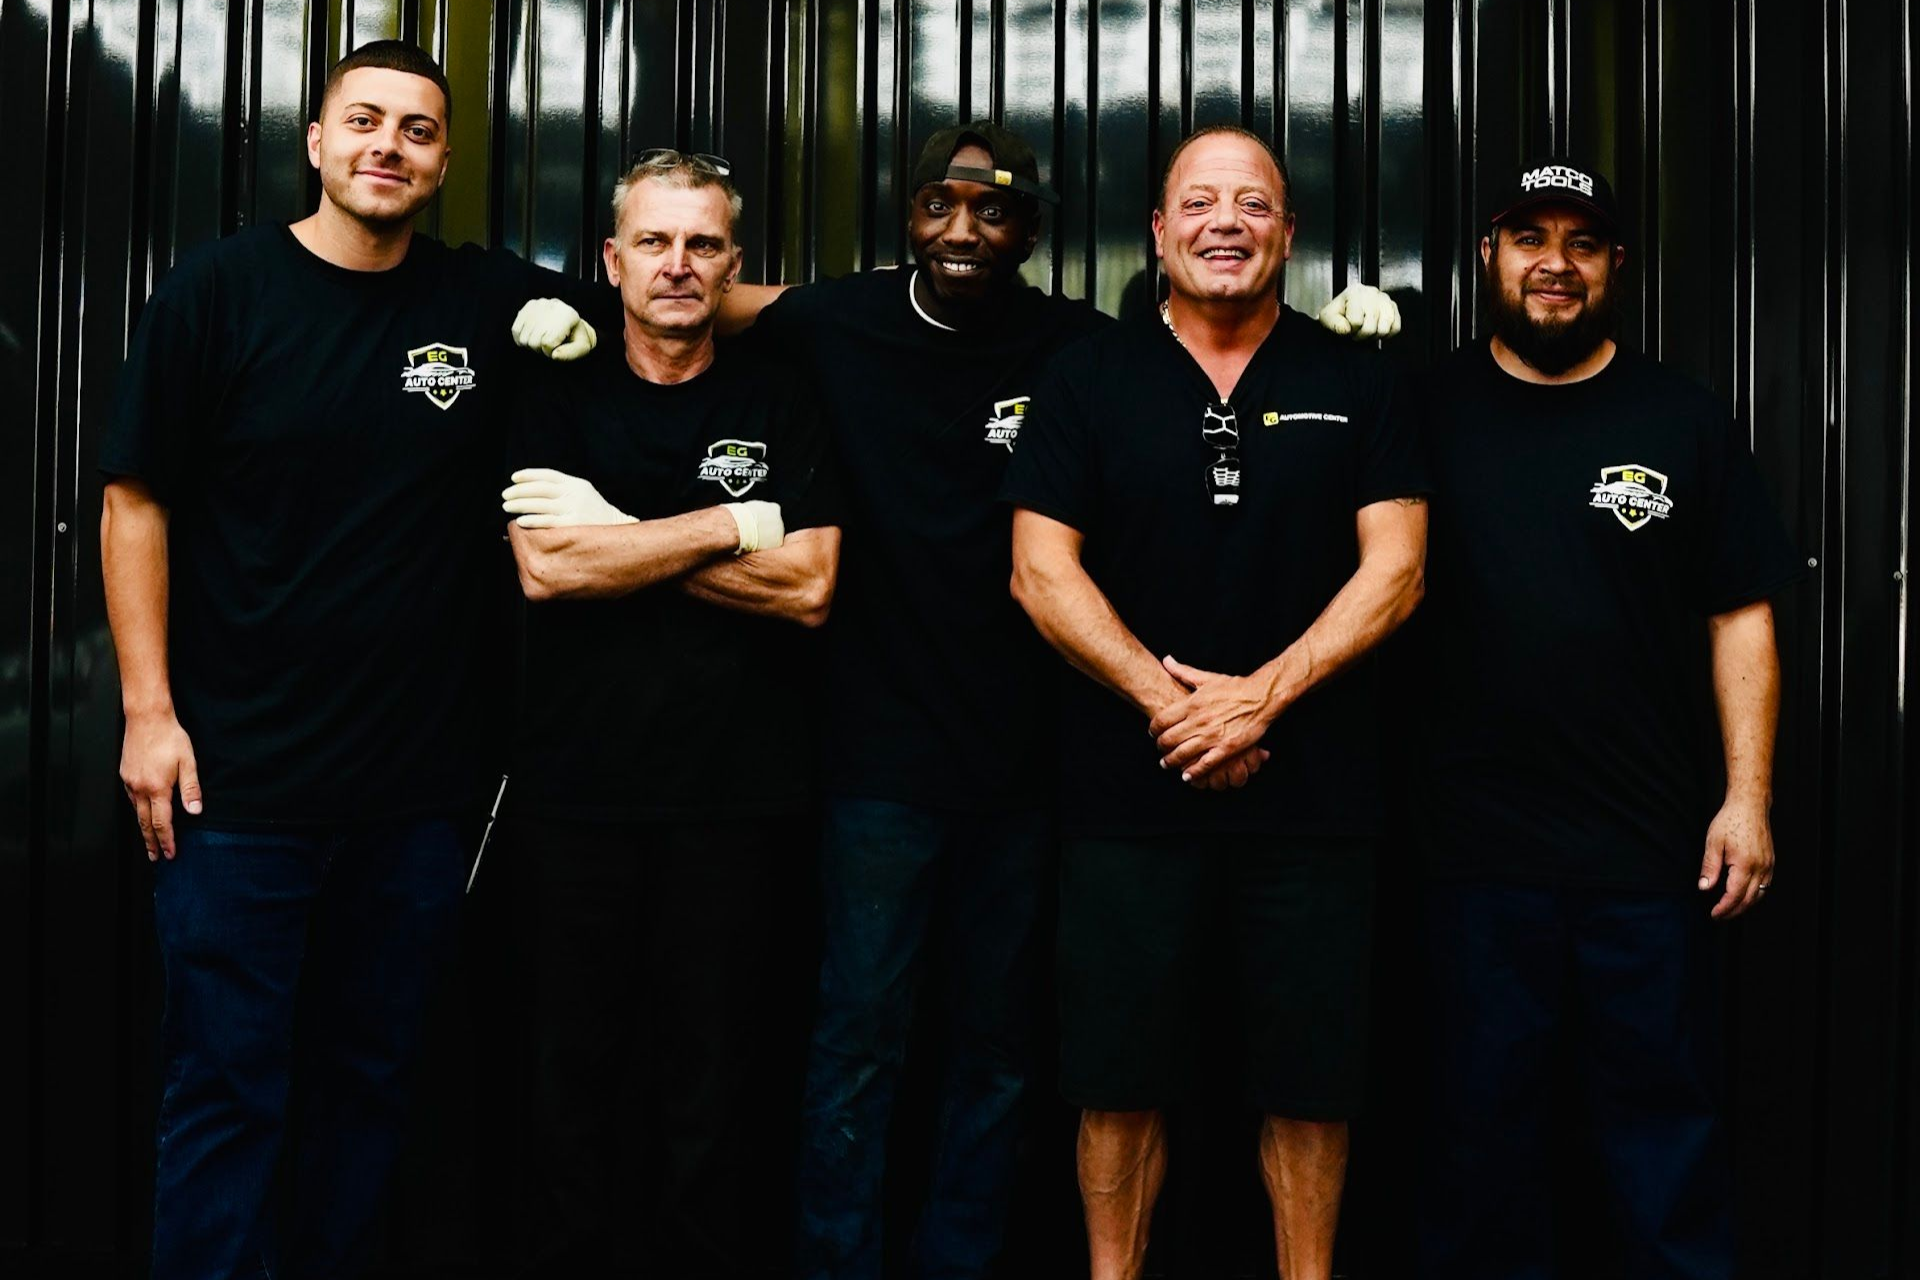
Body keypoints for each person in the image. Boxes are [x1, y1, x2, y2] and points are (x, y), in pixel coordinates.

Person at [512, 120, 1401, 1280]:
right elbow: (690, 290)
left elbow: (1211, 342)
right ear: (909, 219)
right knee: (856, 1049)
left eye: (996, 213)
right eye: (943, 206)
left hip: (1033, 762)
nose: (967, 229)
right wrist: (536, 314)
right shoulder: (837, 318)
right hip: (874, 762)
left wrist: (1347, 329)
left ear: (1036, 234)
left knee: (999, 1058)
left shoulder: (1083, 349)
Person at [97, 40, 598, 1280]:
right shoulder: (216, 293)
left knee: (369, 1092)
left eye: (418, 129)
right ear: (315, 143)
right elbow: (134, 503)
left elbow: (672, 297)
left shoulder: (479, 302)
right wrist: (147, 712)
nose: (390, 144)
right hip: (237, 786)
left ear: (442, 162)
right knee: (229, 1090)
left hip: (416, 798)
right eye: (364, 121)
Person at [1000, 124, 1428, 1280]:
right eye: (1198, 202)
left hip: (1314, 802)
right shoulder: (1087, 376)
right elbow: (1039, 569)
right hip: (1128, 796)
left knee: (1309, 1083)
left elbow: (1397, 567)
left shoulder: (1357, 379)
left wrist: (1262, 700)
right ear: (1158, 230)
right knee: (1117, 1078)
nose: (1224, 221)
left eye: (1252, 202)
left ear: (1288, 231)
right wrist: (1171, 703)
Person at [1412, 159, 1799, 1280]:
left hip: (1646, 859)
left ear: (1615, 266)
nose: (1554, 262)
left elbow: (1741, 614)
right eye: (1528, 236)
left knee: (1661, 1155)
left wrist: (1748, 799)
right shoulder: (1425, 411)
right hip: (1469, 858)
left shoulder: (1680, 416)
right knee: (1477, 1157)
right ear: (1490, 253)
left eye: (1582, 242)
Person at [497, 150, 841, 1278]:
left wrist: (618, 525)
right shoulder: (557, 392)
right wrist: (733, 521)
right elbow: (548, 571)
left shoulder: (780, 396)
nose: (678, 265)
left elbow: (809, 586)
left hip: (738, 804)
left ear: (734, 263)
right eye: (654, 241)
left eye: (702, 244)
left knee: (718, 1084)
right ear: (613, 258)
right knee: (568, 1081)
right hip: (575, 801)